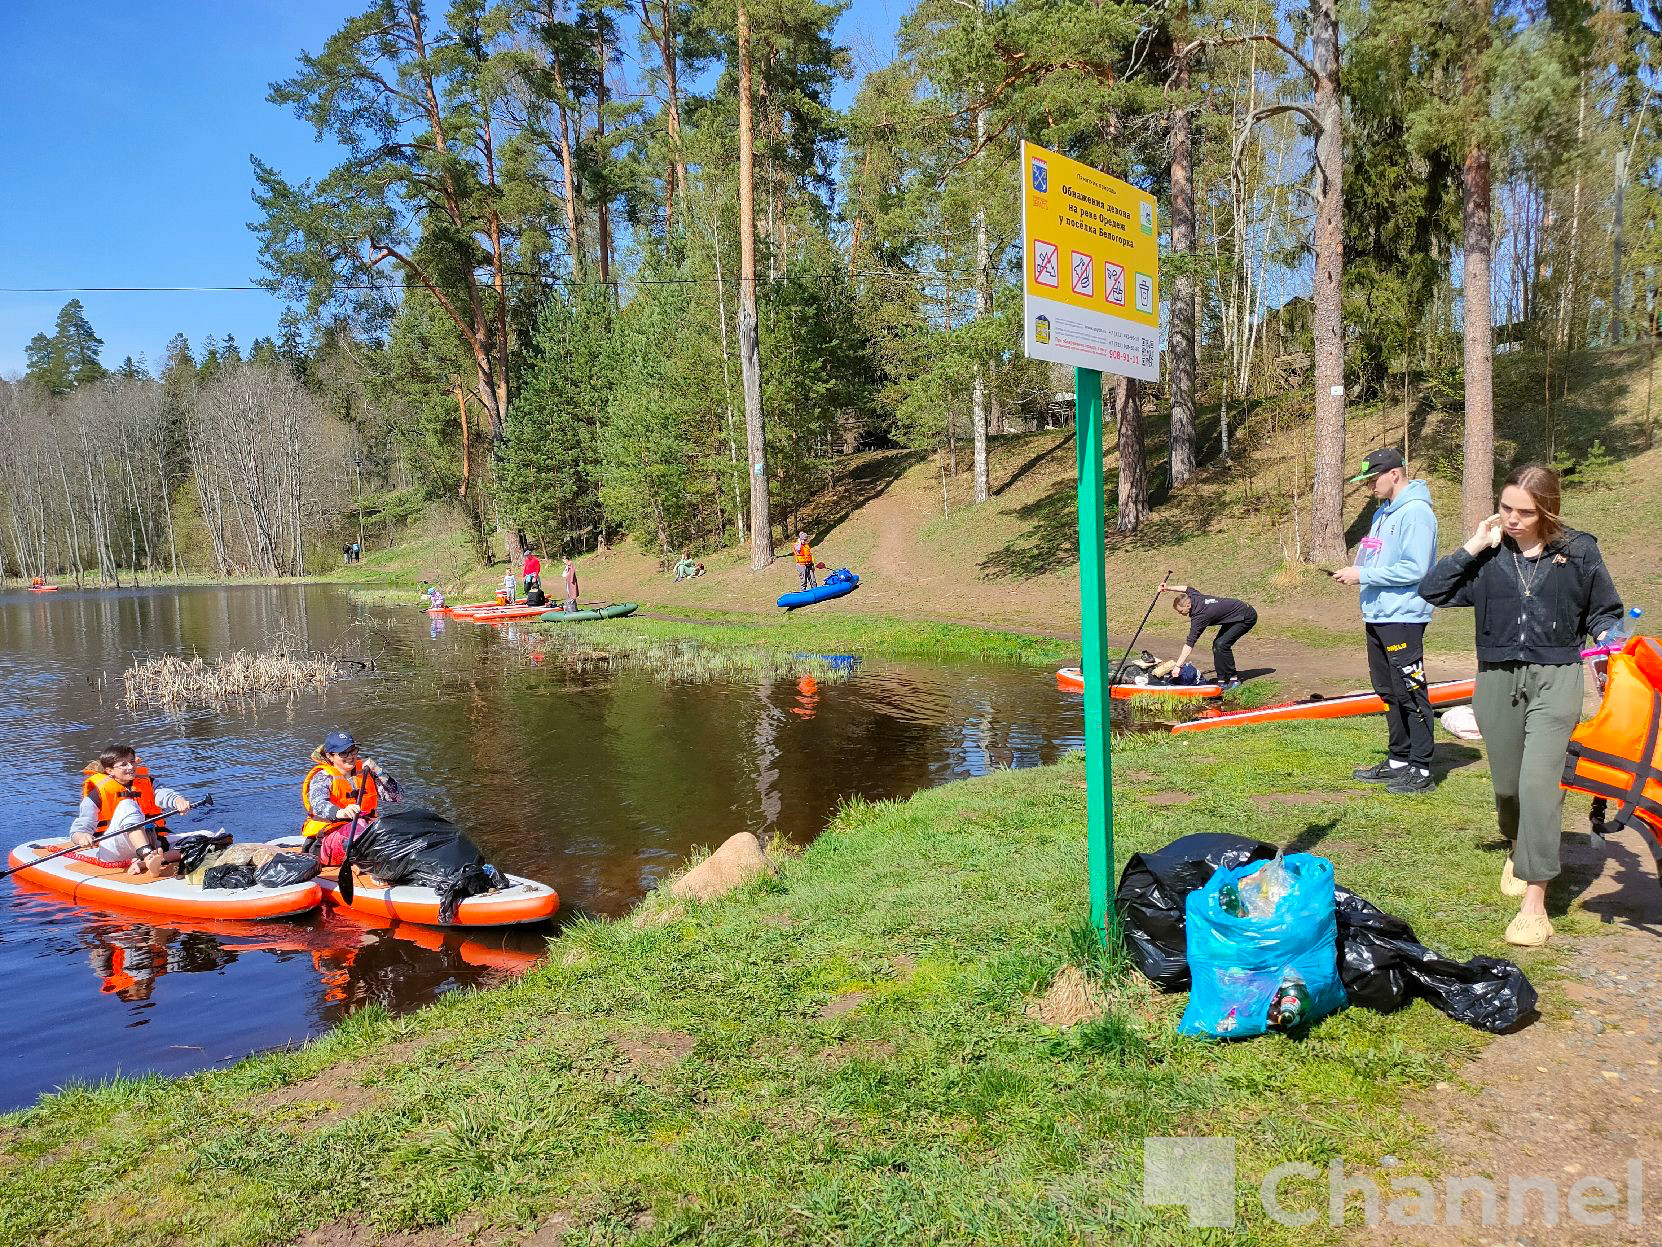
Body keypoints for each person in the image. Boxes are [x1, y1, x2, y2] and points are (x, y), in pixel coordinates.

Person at [1420, 464, 1623, 947]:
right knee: (1509, 786)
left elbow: (1605, 611)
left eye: (1524, 512)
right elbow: (1432, 590)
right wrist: (1473, 544)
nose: (1512, 518)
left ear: (1547, 510)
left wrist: (1611, 642)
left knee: (1538, 785)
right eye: (1506, 507)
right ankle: (1517, 843)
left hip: (1557, 677)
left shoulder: (1578, 552)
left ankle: (1536, 900)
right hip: (1496, 678)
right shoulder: (1489, 556)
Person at [1333, 448, 1440, 795]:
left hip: (1403, 615)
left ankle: (1422, 768)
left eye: (1371, 480)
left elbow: (1416, 568)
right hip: (1378, 613)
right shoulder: (1383, 512)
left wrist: (1363, 574)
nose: (1368, 488)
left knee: (1410, 690)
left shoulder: (1417, 513)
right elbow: (1376, 553)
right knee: (1388, 690)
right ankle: (1398, 761)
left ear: (1395, 473)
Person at [70, 745, 192, 877]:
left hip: (153, 843)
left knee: (207, 836)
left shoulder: (147, 782)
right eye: (123, 764)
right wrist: (82, 837)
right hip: (116, 850)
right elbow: (79, 829)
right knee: (127, 804)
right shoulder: (96, 795)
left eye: (132, 761)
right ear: (109, 770)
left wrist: (177, 800)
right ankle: (148, 856)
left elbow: (164, 794)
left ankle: (148, 862)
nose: (130, 767)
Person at [301, 731, 401, 866]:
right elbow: (318, 804)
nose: (350, 757)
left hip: (364, 829)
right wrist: (340, 812)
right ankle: (372, 867)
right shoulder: (323, 777)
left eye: (353, 751)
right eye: (343, 753)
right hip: (326, 841)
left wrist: (378, 770)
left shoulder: (366, 772)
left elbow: (396, 797)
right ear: (330, 756)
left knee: (394, 829)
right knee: (360, 827)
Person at [1159, 582, 1257, 690]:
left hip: (1245, 616)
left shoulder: (1200, 615)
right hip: (1234, 616)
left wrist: (1178, 666)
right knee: (1217, 645)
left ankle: (1233, 679)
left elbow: (1190, 643)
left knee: (1222, 644)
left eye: (1180, 611)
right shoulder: (1194, 596)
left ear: (1188, 605)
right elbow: (1186, 588)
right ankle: (1222, 680)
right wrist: (1168, 588)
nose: (1180, 613)